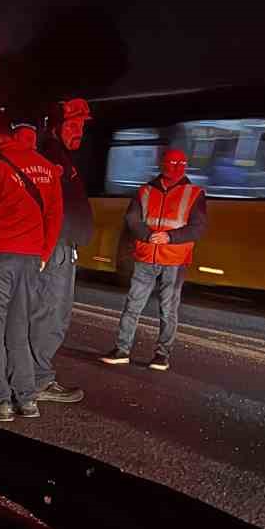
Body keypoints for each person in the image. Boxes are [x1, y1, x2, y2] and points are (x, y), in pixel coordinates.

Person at [0, 108, 63, 421]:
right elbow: (54, 218)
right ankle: (27, 399)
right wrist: (42, 255)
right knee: (18, 330)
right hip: (30, 260)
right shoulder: (47, 168)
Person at [102, 148, 208, 372]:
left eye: (181, 163)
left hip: (174, 259)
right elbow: (132, 219)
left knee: (167, 309)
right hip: (146, 256)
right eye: (172, 163)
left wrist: (169, 237)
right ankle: (123, 350)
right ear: (162, 164)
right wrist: (149, 235)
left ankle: (161, 354)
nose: (177, 167)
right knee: (134, 305)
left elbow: (198, 228)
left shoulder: (195, 193)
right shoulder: (145, 191)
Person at [29, 98, 93, 404]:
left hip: (60, 244)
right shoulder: (51, 156)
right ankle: (36, 380)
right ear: (55, 126)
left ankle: (30, 376)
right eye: (72, 125)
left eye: (81, 125)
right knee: (50, 313)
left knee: (51, 312)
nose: (78, 131)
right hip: (55, 246)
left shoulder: (60, 156)